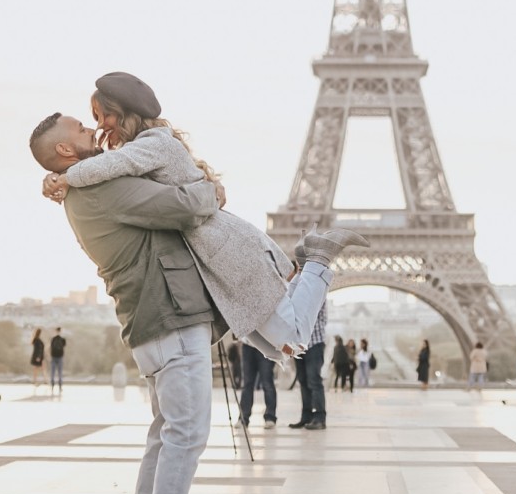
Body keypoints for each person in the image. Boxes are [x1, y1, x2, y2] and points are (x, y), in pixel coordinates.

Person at [29, 92, 363, 494]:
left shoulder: (92, 184)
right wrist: (207, 185)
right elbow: (189, 206)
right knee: (184, 437)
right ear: (67, 155)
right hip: (169, 320)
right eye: (81, 128)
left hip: (158, 322)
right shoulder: (102, 191)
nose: (92, 130)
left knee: (165, 436)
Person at [43, 73, 369, 362]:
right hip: (222, 252)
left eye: (101, 117)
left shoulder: (150, 145)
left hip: (228, 252)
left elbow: (109, 167)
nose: (99, 127)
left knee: (293, 333)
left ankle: (318, 259)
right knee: (277, 340)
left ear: (122, 114)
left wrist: (63, 177)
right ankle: (308, 260)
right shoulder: (148, 145)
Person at [290, 299, 327, 430]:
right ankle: (306, 416)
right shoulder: (297, 289)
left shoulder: (316, 286)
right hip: (298, 344)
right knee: (303, 381)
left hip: (314, 342)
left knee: (314, 380)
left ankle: (320, 417)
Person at [238, 343, 277, 429]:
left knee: (267, 383)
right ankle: (243, 418)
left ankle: (270, 417)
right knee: (247, 383)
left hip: (266, 343)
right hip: (248, 344)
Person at [50, 328, 66, 393]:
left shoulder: (53, 339)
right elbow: (64, 346)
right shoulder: (63, 339)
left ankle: (52, 385)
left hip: (53, 357)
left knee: (53, 372)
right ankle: (60, 385)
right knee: (60, 372)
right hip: (60, 357)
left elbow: (51, 347)